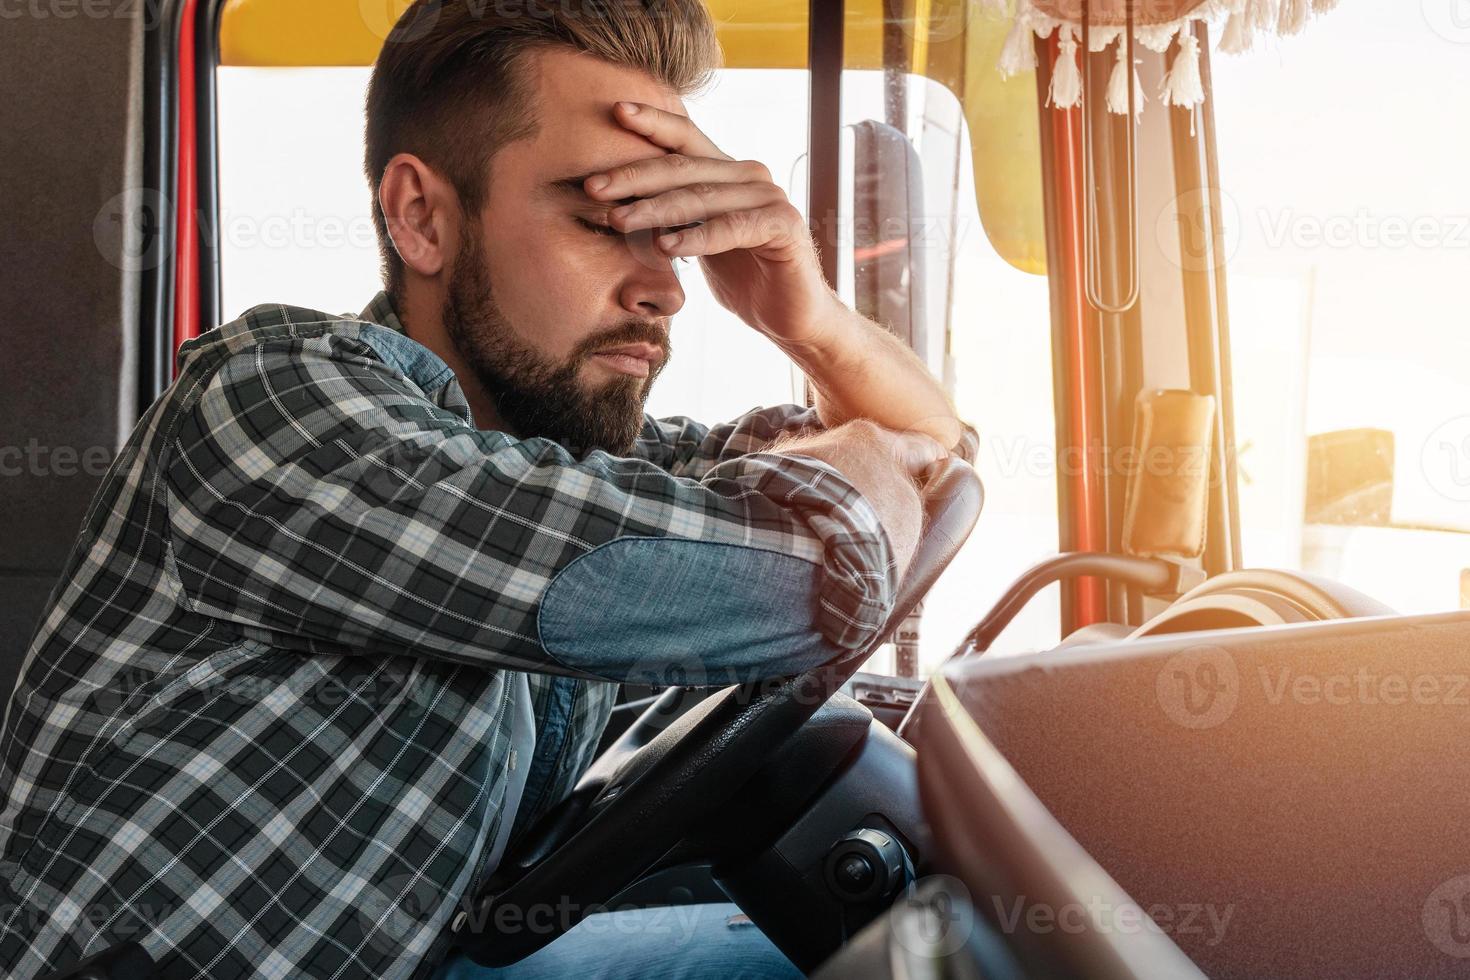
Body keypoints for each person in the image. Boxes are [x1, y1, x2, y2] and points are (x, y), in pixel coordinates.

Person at [0, 1, 972, 977]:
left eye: (674, 230)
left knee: (923, 945)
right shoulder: (275, 405)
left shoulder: (545, 460)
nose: (669, 286)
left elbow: (929, 461)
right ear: (423, 216)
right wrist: (851, 492)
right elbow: (794, 574)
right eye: (608, 219)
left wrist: (809, 319)